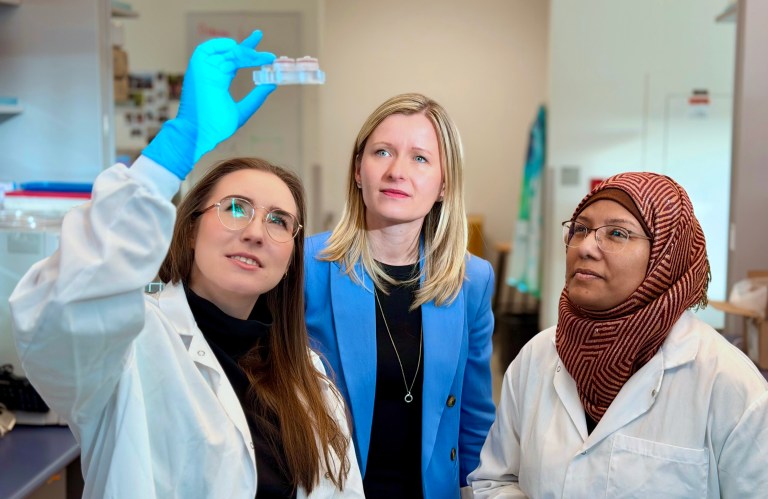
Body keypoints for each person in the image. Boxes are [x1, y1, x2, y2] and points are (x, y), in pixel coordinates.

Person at [9, 31, 363, 498]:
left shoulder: (312, 380)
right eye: (236, 207)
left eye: (280, 220)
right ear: (191, 228)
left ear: (290, 258)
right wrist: (173, 148)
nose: (257, 231)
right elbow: (60, 312)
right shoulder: (127, 347)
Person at [469, 172, 768, 497]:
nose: (585, 247)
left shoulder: (730, 386)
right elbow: (494, 481)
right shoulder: (538, 355)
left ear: (666, 257)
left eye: (616, 233)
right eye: (580, 229)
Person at [304, 93, 496, 498]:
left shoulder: (472, 281)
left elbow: (474, 416)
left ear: (445, 184)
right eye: (382, 152)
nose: (396, 171)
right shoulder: (306, 265)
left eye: (420, 158)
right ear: (358, 170)